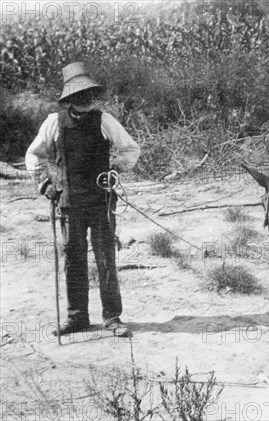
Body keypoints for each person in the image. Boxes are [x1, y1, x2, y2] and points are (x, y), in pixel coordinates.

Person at [26, 62, 140, 337]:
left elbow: (130, 149)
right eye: (79, 94)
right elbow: (34, 155)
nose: (86, 98)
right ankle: (77, 318)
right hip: (70, 204)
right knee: (73, 261)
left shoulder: (105, 120)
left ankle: (112, 318)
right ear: (70, 98)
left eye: (89, 93)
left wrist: (115, 171)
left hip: (101, 202)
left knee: (106, 261)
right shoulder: (55, 123)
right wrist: (45, 185)